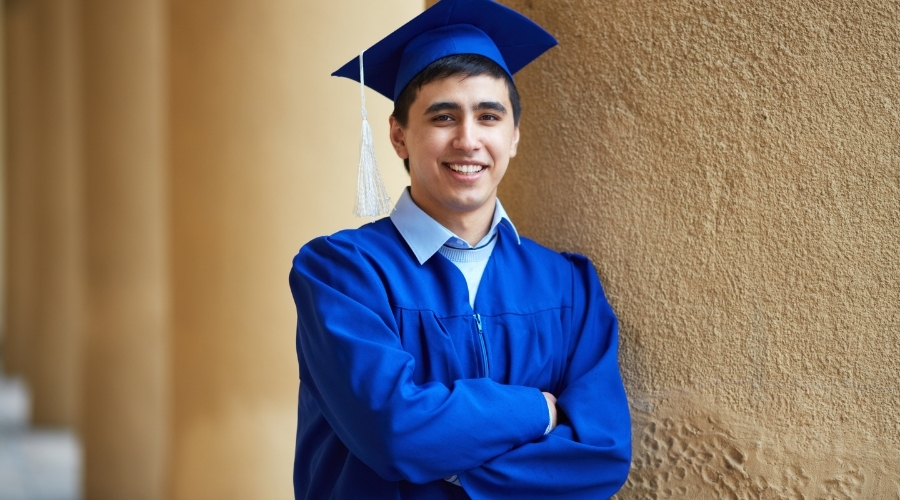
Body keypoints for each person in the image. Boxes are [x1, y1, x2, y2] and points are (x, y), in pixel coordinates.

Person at [289, 1, 632, 498]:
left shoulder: (567, 285)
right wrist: (539, 410)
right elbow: (393, 434)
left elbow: (600, 457)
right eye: (443, 117)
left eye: (489, 116)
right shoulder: (342, 274)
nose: (468, 140)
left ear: (513, 136)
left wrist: (448, 466)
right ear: (399, 135)